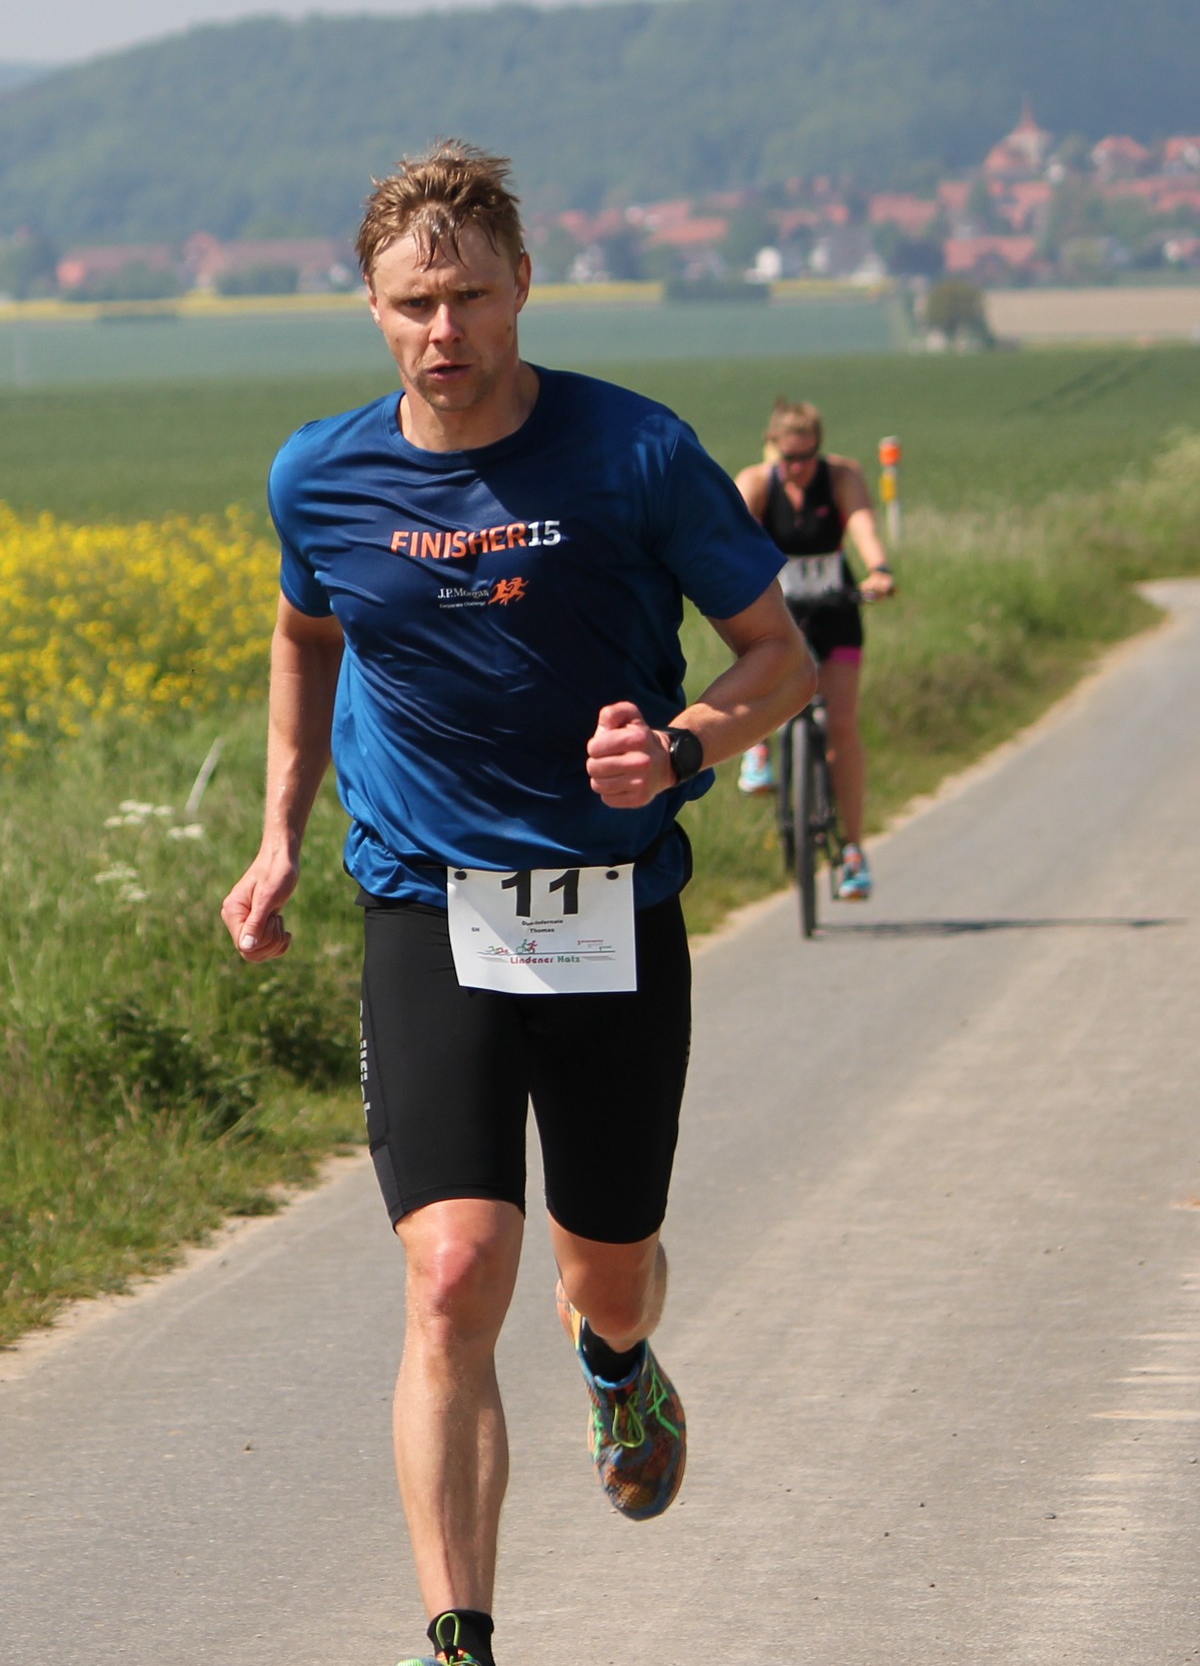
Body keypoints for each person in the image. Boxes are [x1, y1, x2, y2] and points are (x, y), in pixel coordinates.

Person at [220, 142, 814, 1666]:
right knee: (453, 1272)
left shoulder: (635, 454)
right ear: (370, 307)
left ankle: (617, 1361)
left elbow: (781, 657)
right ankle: (459, 1639)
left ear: (524, 287)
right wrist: (279, 835)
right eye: (415, 303)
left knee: (604, 1271)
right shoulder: (320, 476)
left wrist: (681, 746)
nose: (446, 330)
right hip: (426, 899)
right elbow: (306, 637)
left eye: (473, 297)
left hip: (610, 902)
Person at [734, 397, 895, 900]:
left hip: (834, 609)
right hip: (778, 611)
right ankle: (756, 747)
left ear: (819, 450)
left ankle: (853, 851)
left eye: (806, 457)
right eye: (788, 457)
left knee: (842, 724)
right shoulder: (757, 483)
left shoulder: (842, 477)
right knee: (757, 658)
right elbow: (731, 537)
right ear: (773, 448)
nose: (798, 468)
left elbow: (863, 525)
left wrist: (879, 570)